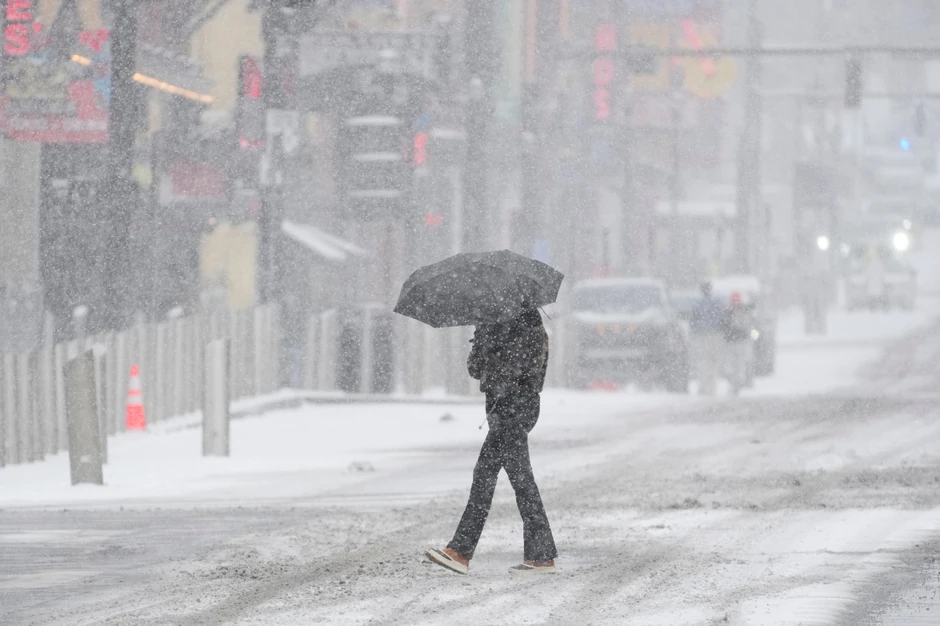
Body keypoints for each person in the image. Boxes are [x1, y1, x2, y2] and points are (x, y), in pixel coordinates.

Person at [426, 308, 558, 576]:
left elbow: (518, 370)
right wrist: (482, 338)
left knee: (498, 478)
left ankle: (461, 551)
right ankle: (540, 554)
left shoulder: (527, 324)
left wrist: (491, 343)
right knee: (508, 478)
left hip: (515, 408)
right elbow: (476, 369)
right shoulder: (495, 322)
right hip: (503, 409)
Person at [690, 281, 724, 396]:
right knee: (714, 361)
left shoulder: (698, 303)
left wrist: (693, 333)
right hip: (715, 334)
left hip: (701, 335)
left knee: (702, 361)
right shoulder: (717, 302)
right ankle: (712, 387)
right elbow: (721, 318)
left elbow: (693, 321)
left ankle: (702, 387)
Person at [722, 291, 752, 395]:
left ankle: (734, 384)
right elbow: (748, 325)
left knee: (731, 365)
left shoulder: (727, 312)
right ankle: (737, 384)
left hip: (731, 343)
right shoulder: (744, 311)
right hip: (740, 342)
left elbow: (723, 327)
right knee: (739, 364)